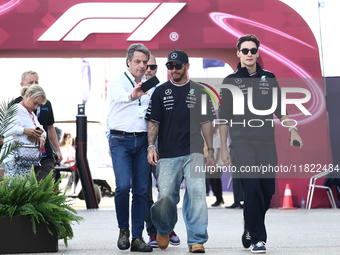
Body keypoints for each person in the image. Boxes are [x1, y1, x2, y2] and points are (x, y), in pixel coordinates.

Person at [219, 34, 303, 253]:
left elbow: (280, 109)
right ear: (238, 53)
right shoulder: (230, 81)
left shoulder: (269, 77)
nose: (249, 54)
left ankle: (249, 227)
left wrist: (292, 129)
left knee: (266, 192)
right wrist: (223, 149)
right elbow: (224, 116)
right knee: (252, 186)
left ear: (258, 52)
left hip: (266, 142)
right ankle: (258, 238)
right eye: (244, 50)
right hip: (241, 142)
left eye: (253, 50)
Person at [146, 50, 215, 253]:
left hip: (194, 150)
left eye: (177, 66)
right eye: (170, 66)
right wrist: (151, 146)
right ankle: (164, 228)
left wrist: (210, 149)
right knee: (166, 196)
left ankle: (196, 239)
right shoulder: (160, 91)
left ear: (187, 66)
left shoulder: (199, 91)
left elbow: (206, 122)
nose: (173, 70)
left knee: (197, 194)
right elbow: (153, 122)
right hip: (167, 153)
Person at [108, 43, 153, 252]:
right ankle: (123, 230)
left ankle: (137, 237)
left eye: (145, 62)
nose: (141, 66)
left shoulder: (151, 85)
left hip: (143, 141)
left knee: (141, 191)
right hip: (120, 141)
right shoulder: (118, 81)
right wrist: (132, 96)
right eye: (137, 61)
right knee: (123, 186)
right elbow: (119, 96)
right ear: (128, 62)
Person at [143, 55, 181, 248]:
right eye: (145, 65)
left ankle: (166, 228)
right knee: (145, 192)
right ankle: (152, 232)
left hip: (163, 147)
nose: (148, 69)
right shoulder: (131, 88)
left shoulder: (165, 88)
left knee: (166, 191)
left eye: (152, 66)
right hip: (139, 146)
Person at [13, 71, 63, 182]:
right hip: (22, 156)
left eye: (36, 82)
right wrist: (25, 131)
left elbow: (49, 128)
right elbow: (7, 129)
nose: (34, 84)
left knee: (45, 189)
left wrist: (57, 149)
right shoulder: (15, 105)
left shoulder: (45, 103)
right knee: (24, 193)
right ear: (22, 84)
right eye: (31, 82)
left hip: (45, 156)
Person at [2, 85, 46, 178]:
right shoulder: (16, 108)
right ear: (27, 95)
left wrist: (41, 136)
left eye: (38, 105)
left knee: (23, 190)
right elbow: (5, 129)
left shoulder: (31, 113)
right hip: (15, 157)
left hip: (26, 157)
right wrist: (24, 131)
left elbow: (41, 128)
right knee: (16, 189)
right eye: (35, 103)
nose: (36, 106)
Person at [210, 125, 224, 206]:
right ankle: (219, 198)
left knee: (216, 180)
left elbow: (218, 151)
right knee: (211, 180)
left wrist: (215, 163)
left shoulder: (218, 137)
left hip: (217, 163)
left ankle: (219, 200)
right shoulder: (211, 138)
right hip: (211, 162)